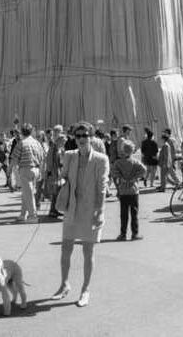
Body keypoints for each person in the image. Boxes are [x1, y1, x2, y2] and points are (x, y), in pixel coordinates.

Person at [50, 121, 109, 307]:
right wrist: (60, 182)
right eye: (78, 135)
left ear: (91, 137)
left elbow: (102, 186)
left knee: (87, 251)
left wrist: (99, 211)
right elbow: (64, 176)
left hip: (90, 208)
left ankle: (85, 289)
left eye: (85, 135)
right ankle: (64, 284)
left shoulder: (101, 159)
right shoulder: (69, 155)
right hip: (71, 208)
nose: (81, 139)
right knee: (65, 248)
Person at [111, 141, 146, 241]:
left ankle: (123, 234)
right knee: (134, 214)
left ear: (122, 150)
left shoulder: (118, 163)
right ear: (132, 151)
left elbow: (113, 172)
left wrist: (121, 178)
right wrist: (135, 178)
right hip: (133, 190)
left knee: (124, 214)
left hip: (123, 190)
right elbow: (144, 170)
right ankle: (135, 234)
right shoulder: (135, 162)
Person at [10, 123, 46, 222]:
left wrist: (9, 171)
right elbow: (42, 158)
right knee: (27, 193)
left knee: (28, 194)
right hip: (36, 170)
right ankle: (23, 214)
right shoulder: (37, 143)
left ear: (22, 132)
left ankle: (33, 216)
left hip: (25, 169)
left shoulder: (21, 143)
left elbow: (14, 159)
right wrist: (41, 172)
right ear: (31, 131)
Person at [45, 134, 67, 217]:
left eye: (65, 142)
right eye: (63, 142)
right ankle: (52, 211)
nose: (64, 143)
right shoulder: (52, 149)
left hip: (59, 172)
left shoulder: (61, 149)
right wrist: (49, 172)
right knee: (55, 192)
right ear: (58, 141)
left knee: (57, 192)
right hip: (54, 173)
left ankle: (55, 209)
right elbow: (49, 160)